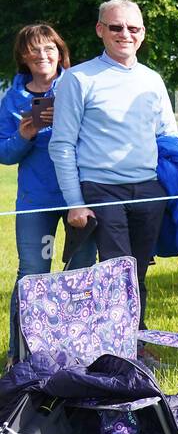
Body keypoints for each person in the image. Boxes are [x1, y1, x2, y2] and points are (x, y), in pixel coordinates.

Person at [49, 0, 178, 328]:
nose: (125, 34)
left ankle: (136, 340)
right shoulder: (77, 79)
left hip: (149, 189)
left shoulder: (152, 79)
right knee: (116, 272)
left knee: (139, 272)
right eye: (116, 27)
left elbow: (169, 138)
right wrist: (75, 203)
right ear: (100, 30)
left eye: (133, 28)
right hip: (102, 189)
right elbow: (62, 145)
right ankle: (116, 348)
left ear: (143, 33)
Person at [1, 23, 97, 358]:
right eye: (34, 50)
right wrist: (23, 136)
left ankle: (76, 352)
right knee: (32, 275)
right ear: (23, 57)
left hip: (80, 198)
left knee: (81, 273)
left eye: (49, 48)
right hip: (36, 202)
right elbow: (5, 154)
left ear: (60, 53)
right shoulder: (12, 99)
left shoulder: (79, 85)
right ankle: (21, 355)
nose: (43, 55)